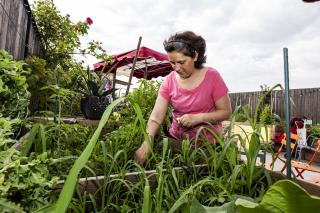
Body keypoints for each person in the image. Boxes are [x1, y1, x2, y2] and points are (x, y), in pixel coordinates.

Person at [134, 31, 232, 165]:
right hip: (176, 142)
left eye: (181, 62)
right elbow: (156, 117)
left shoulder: (212, 76)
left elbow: (226, 112)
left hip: (208, 147)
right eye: (172, 63)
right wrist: (147, 142)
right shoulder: (169, 81)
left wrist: (198, 118)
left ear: (195, 56)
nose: (176, 68)